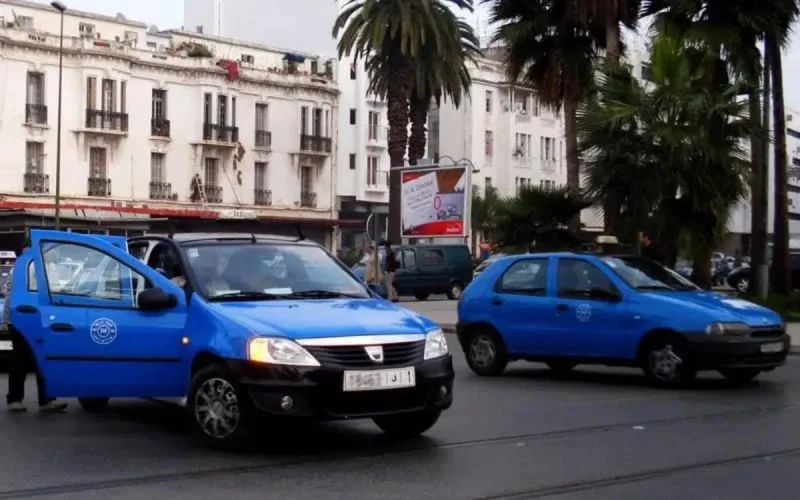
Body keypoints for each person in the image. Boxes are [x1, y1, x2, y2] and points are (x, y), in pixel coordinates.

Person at [3, 258, 67, 413]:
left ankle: (19, 399)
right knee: (29, 358)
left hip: (20, 315)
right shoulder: (36, 263)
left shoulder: (22, 263)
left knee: (22, 358)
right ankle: (40, 399)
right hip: (27, 316)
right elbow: (54, 288)